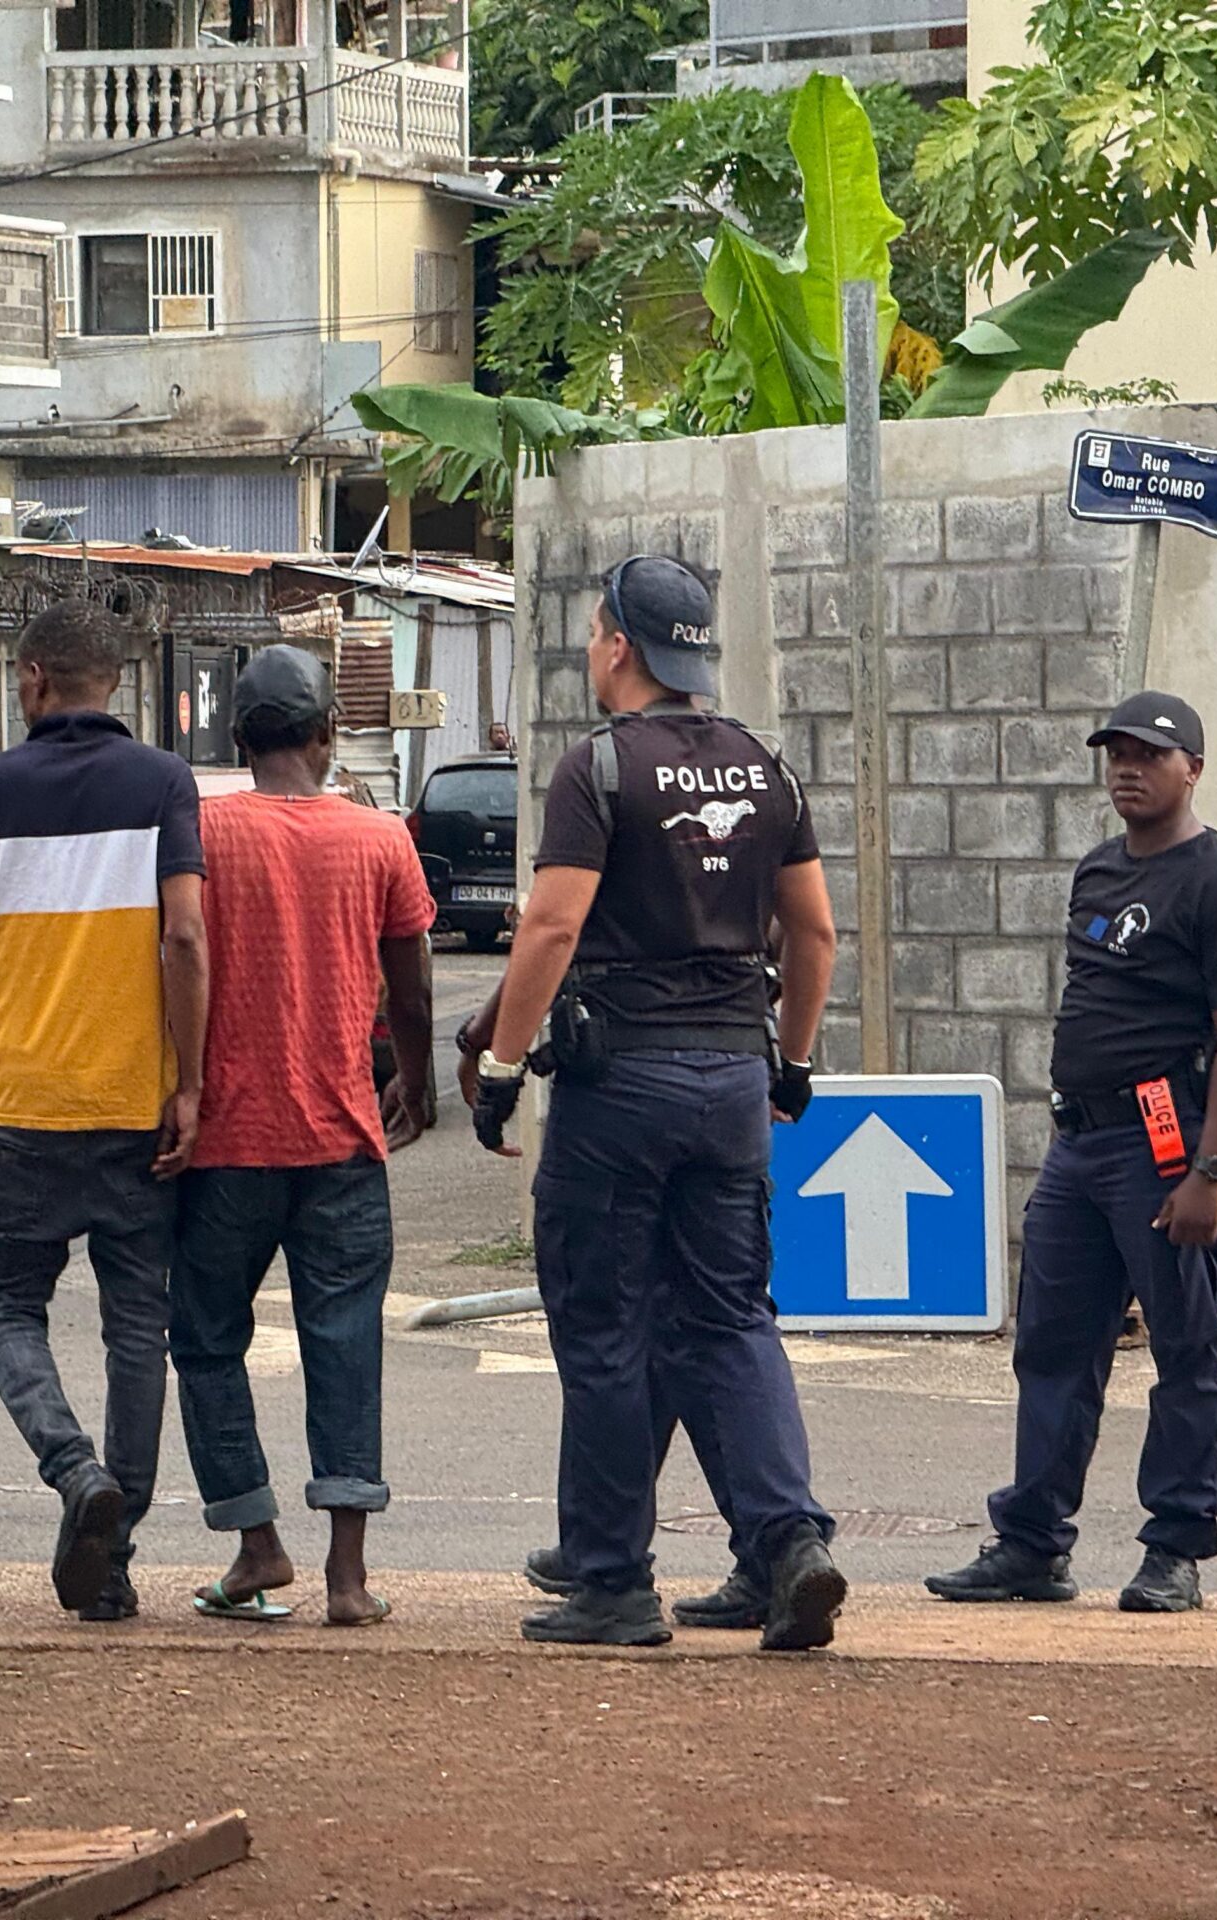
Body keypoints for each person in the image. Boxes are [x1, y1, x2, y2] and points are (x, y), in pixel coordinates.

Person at [469, 552, 846, 1652]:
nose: (591, 649)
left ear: (620, 645)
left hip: (619, 1085)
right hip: (734, 1075)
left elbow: (549, 928)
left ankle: (611, 1583)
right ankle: (787, 1544)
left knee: (603, 1329)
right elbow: (813, 931)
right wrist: (793, 1061)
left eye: (594, 632)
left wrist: (499, 1067)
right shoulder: (763, 764)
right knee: (732, 1318)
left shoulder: (599, 769)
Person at [926, 691, 1217, 1616]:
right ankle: (1032, 1545)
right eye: (1116, 753)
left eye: (1150, 755)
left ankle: (1175, 1552)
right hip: (1080, 1144)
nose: (1127, 768)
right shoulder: (1097, 873)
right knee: (1051, 1346)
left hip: (1169, 1140)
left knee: (1187, 1346)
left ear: (1191, 769)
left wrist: (1209, 1171)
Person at [0, 600, 209, 1622]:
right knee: (139, 1328)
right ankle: (115, 1551)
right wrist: (186, 1081)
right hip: (131, 1101)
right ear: (120, 685)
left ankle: (73, 1471)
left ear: (36, 678)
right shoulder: (159, 782)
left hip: (22, 1099)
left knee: (9, 1309)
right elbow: (185, 937)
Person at [168, 646, 437, 1627]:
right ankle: (348, 1579)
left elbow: (174, 954)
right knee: (344, 1345)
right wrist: (414, 1081)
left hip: (226, 1145)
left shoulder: (198, 831)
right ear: (328, 739)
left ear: (240, 742)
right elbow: (410, 986)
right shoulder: (380, 841)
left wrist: (182, 1086)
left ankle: (255, 1544)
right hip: (343, 1142)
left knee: (204, 1340)